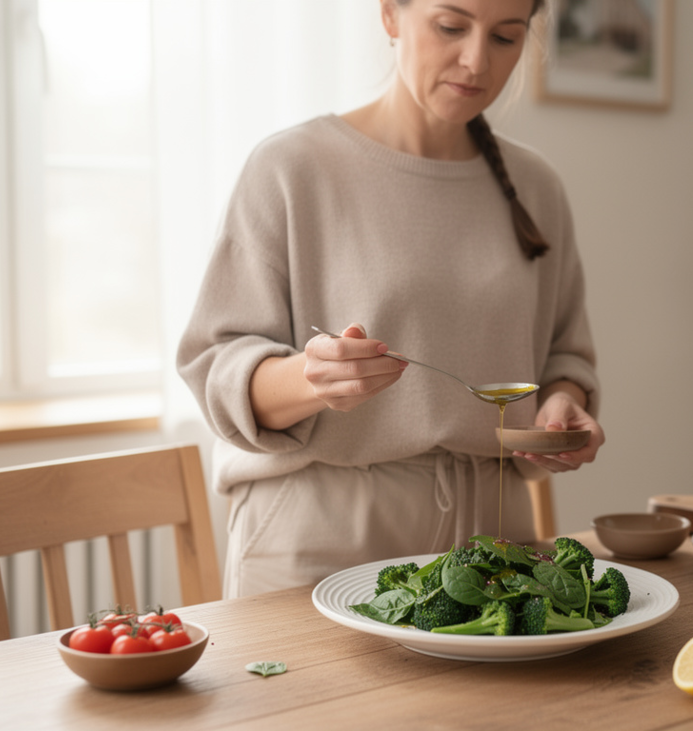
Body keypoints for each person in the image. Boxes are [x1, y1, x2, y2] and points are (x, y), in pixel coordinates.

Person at [178, 0, 604, 597]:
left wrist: (564, 401)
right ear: (389, 16)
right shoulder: (291, 167)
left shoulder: (537, 186)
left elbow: (565, 354)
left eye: (506, 37)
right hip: (319, 535)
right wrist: (311, 378)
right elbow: (216, 368)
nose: (477, 60)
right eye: (451, 26)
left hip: (495, 539)